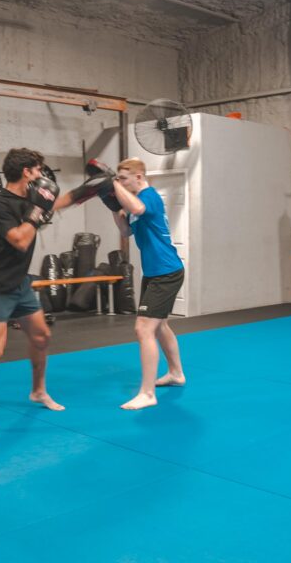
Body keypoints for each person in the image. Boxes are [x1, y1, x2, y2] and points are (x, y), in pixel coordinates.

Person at [0, 147, 76, 438]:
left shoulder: (29, 200)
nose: (41, 176)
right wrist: (36, 211)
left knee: (41, 336)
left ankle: (37, 391)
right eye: (38, 170)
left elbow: (59, 203)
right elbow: (20, 240)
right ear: (27, 171)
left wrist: (95, 187)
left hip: (20, 284)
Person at [107, 157, 186, 410]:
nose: (120, 183)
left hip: (166, 272)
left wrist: (111, 184)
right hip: (154, 273)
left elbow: (139, 210)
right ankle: (176, 373)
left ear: (138, 177)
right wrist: (113, 205)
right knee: (159, 326)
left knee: (143, 329)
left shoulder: (149, 196)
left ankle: (148, 393)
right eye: (118, 179)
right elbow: (126, 231)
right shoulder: (134, 204)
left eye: (123, 179)